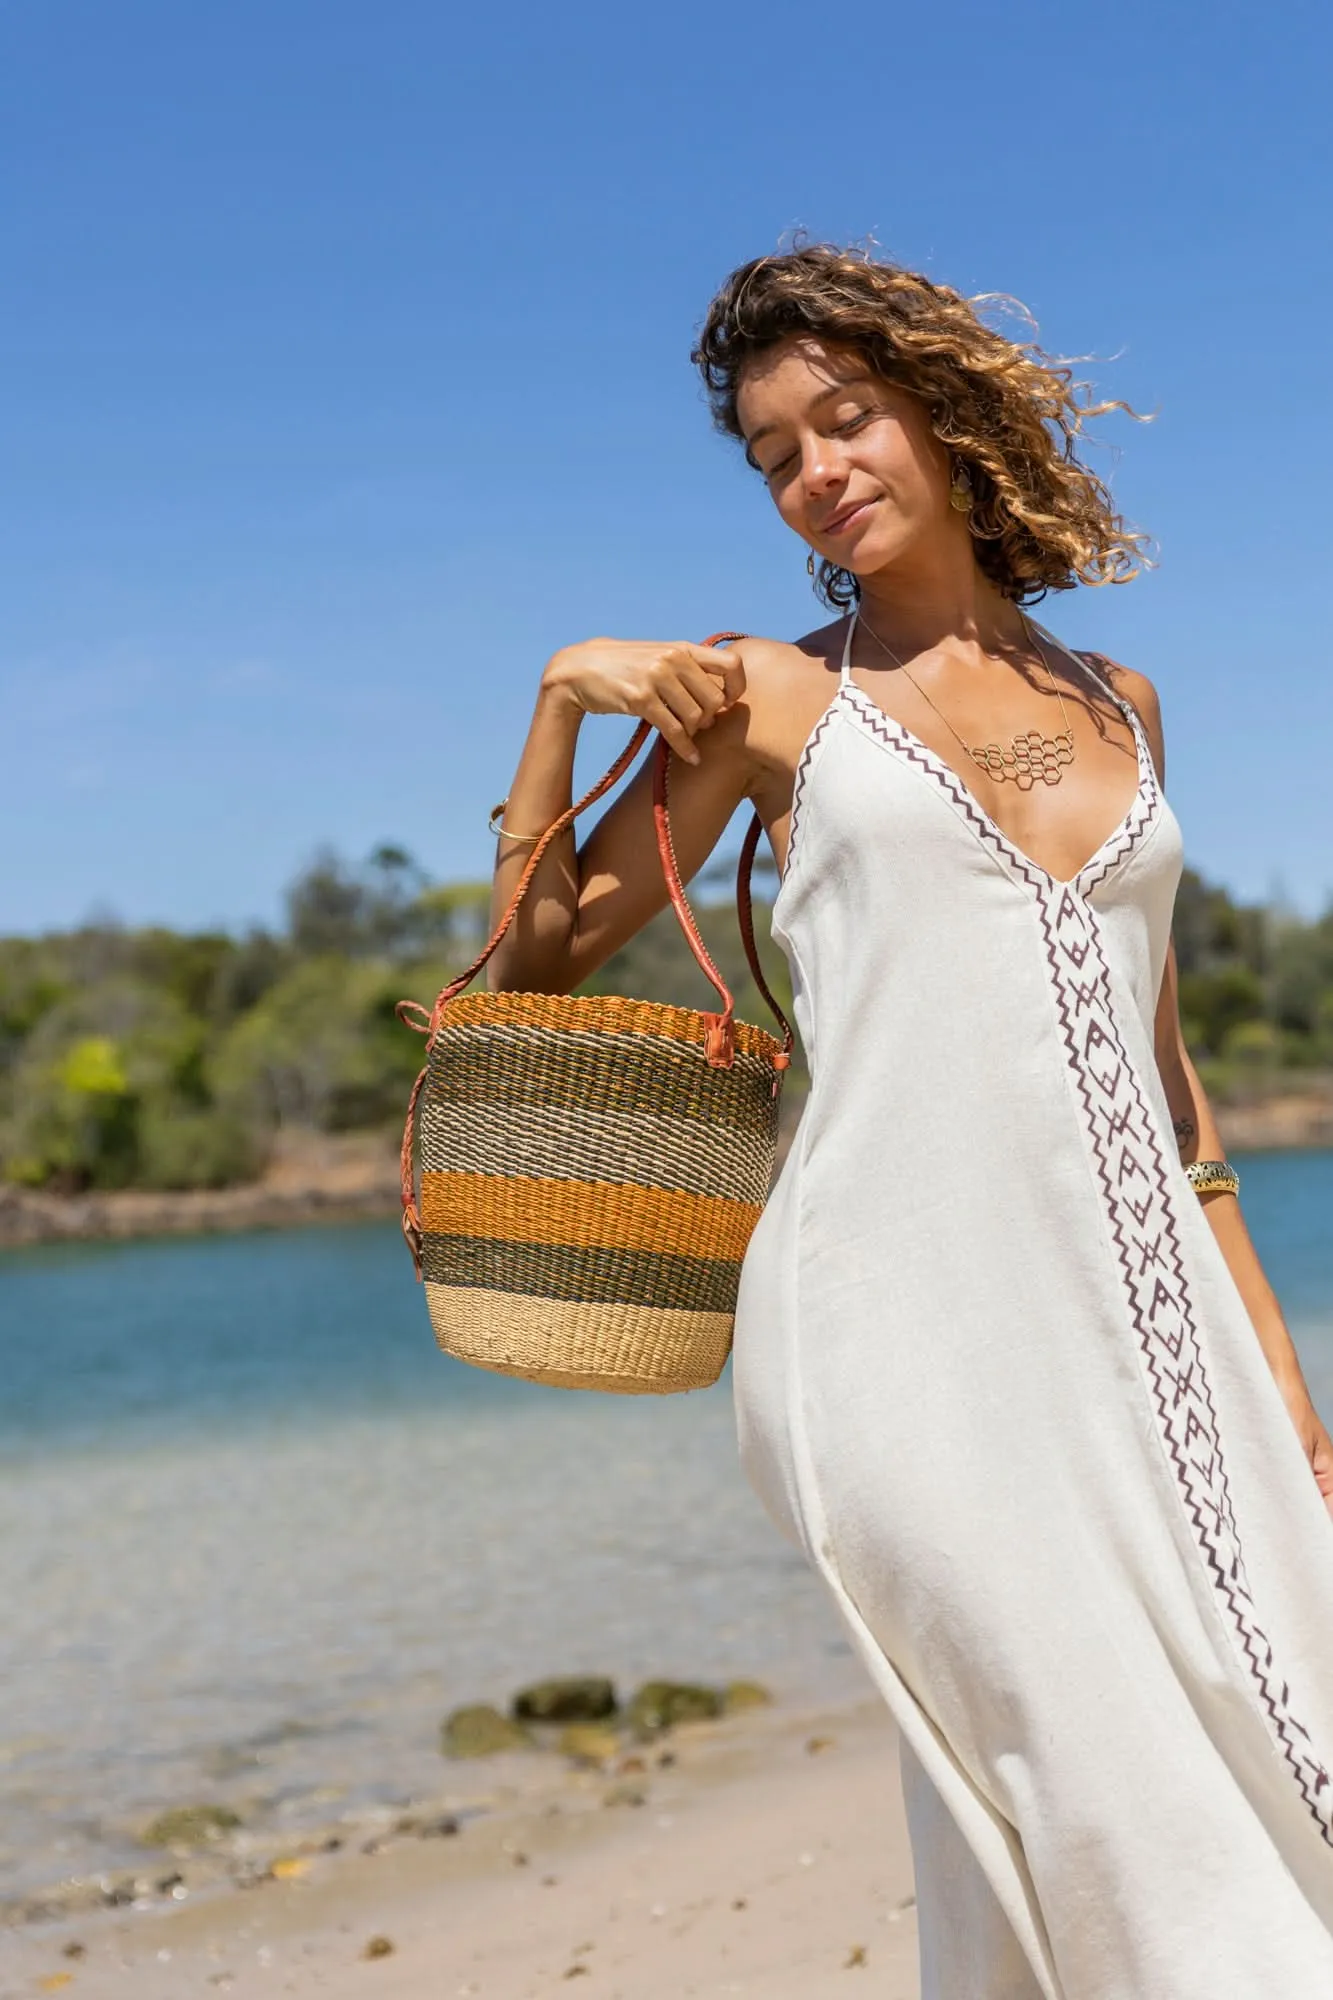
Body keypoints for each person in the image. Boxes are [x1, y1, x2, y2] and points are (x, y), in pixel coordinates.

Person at [483, 243, 1333, 1997]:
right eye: (777, 453)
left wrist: (1282, 1378)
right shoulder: (775, 700)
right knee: (1089, 1768)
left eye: (846, 419)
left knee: (1263, 1709)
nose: (817, 470)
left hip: (1153, 1328)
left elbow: (1168, 1082)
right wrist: (568, 692)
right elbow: (535, 957)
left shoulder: (1125, 703)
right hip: (895, 1328)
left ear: (938, 415)